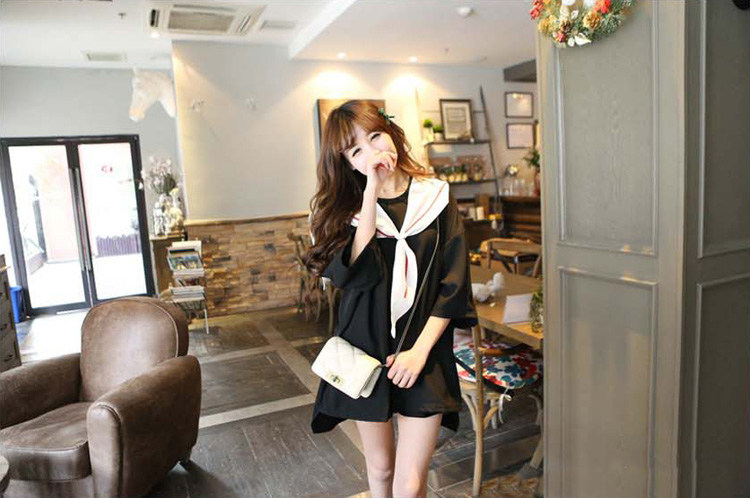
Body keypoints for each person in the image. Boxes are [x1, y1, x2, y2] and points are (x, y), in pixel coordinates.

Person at [305, 100, 477, 498]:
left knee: (410, 484)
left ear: (391, 132)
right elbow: (357, 273)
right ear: (347, 163)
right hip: (365, 350)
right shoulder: (346, 212)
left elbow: (454, 284)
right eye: (356, 150)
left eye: (375, 136)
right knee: (381, 469)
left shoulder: (436, 197)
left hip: (423, 350)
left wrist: (419, 352)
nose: (372, 152)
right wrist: (371, 192)